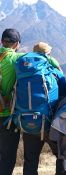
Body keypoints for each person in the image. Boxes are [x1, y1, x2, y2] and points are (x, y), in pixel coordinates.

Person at [19, 42, 66, 175]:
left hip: (28, 120)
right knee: (61, 156)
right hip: (50, 123)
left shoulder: (23, 73)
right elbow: (65, 94)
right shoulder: (54, 72)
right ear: (48, 55)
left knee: (30, 160)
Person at [0, 28, 24, 175]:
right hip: (7, 115)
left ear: (2, 41)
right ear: (17, 44)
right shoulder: (17, 59)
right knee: (7, 157)